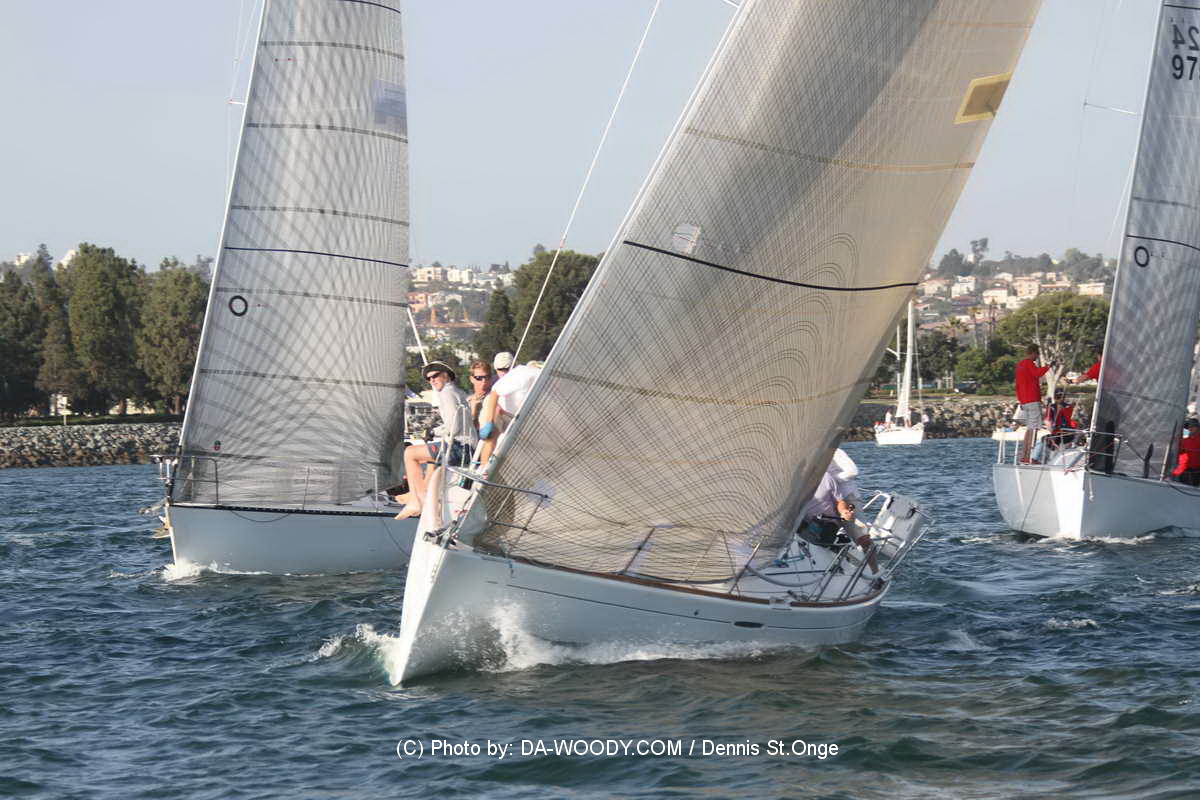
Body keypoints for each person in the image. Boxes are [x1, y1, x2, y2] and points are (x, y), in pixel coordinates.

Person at [394, 361, 479, 518]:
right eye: (429, 378)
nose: (432, 380)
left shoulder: (447, 393)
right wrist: (435, 432)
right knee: (428, 458)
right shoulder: (455, 391)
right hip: (467, 447)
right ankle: (419, 495)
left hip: (460, 448)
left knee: (410, 453)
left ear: (446, 376)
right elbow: (455, 422)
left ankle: (417, 501)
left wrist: (433, 431)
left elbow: (454, 427)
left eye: (435, 376)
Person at [799, 450, 878, 573]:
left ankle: (875, 572)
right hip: (818, 496)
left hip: (845, 495)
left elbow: (853, 472)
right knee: (818, 528)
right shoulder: (806, 450)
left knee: (863, 538)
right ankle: (832, 548)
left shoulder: (835, 451)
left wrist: (827, 477)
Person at [1015, 344, 1051, 463]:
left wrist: (1021, 400)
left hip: (1024, 401)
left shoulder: (1020, 365)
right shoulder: (1029, 363)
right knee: (1034, 429)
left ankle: (1024, 455)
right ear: (1033, 353)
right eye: (1037, 354)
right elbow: (1037, 374)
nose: (1037, 356)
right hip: (1032, 400)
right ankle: (1030, 456)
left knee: (1029, 428)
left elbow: (1017, 385)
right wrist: (1048, 367)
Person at [465, 360, 493, 430]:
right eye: (479, 378)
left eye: (487, 377)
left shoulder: (495, 399)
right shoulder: (466, 401)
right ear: (471, 379)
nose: (484, 380)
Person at [1172, 419, 1200, 486]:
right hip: (1185, 472)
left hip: (1197, 472)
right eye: (1189, 427)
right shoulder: (1184, 441)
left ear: (1198, 427)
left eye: (1193, 426)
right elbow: (1180, 456)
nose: (1190, 428)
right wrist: (1176, 472)